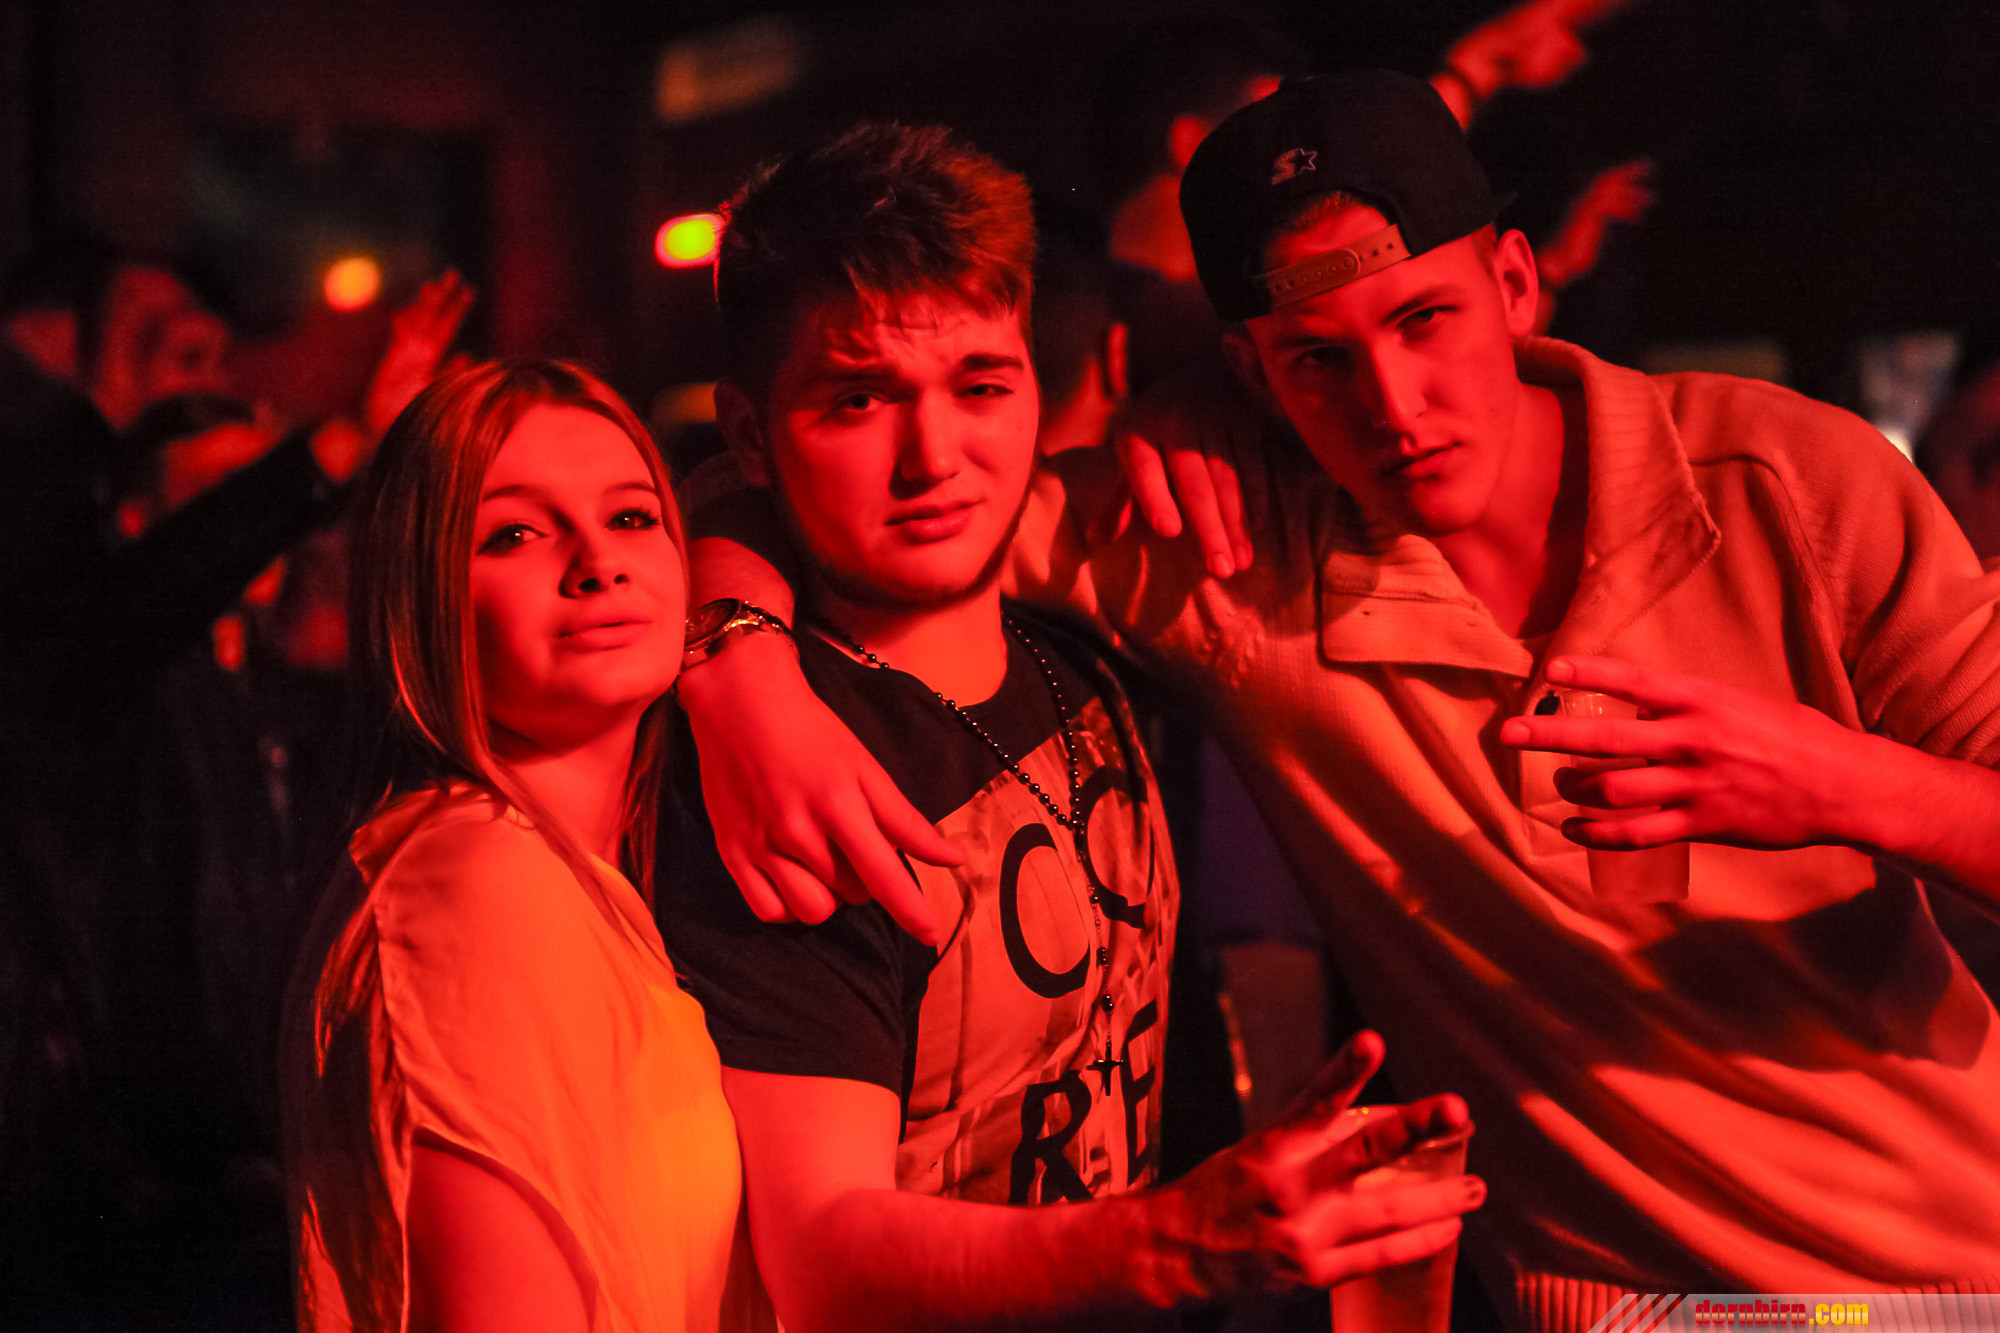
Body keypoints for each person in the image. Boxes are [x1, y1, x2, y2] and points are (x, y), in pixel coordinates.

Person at [681, 77, 2000, 1326]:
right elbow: (784, 484)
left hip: (1943, 1278)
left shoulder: (1786, 479)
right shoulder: (1224, 548)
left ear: (1515, 282)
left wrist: (1848, 786)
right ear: (1252, 374)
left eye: (1424, 320)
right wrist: (741, 663)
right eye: (1317, 358)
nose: (1393, 403)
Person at [663, 121, 1484, 1333]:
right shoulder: (785, 778)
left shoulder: (1080, 645)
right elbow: (819, 1258)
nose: (933, 457)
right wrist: (1173, 1245)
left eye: (979, 387)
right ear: (749, 435)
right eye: (857, 400)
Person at [282, 360, 771, 1333]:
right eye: (513, 533)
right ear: (423, 594)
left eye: (630, 516)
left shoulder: (566, 879)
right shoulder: (470, 884)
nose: (598, 562)